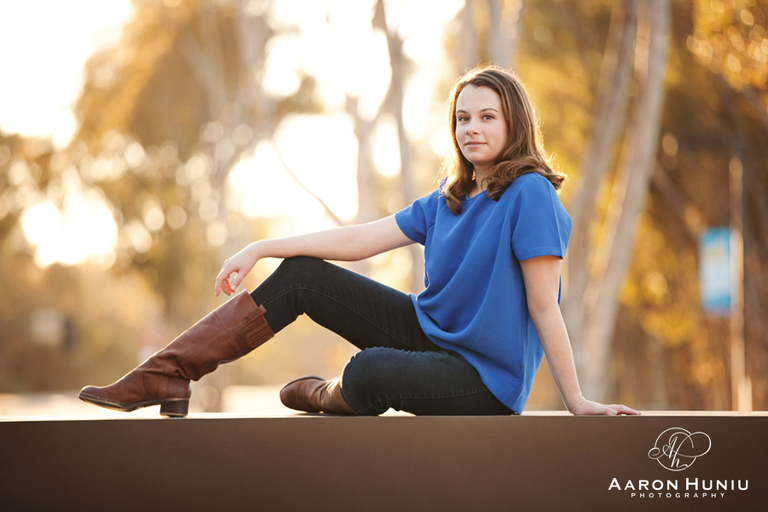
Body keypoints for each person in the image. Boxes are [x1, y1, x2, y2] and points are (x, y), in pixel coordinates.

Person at [79, 65, 639, 418]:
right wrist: (264, 247)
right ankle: (168, 374)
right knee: (303, 275)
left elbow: (545, 304)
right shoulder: (447, 198)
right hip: (427, 334)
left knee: (370, 369)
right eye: (463, 118)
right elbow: (360, 239)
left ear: (514, 123)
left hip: (483, 380)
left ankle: (330, 392)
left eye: (487, 117)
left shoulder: (530, 194)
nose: (472, 128)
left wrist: (577, 402)